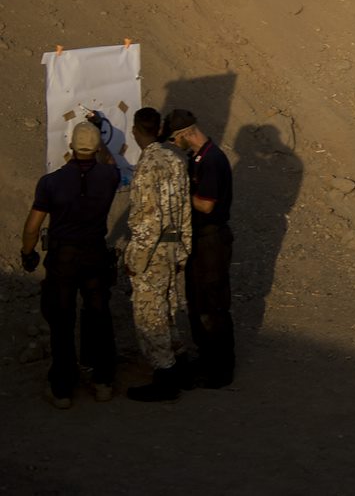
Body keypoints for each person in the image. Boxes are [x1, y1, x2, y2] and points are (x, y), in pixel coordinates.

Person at [21, 120, 121, 407]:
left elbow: (33, 226)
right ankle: (102, 381)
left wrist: (28, 252)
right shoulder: (109, 176)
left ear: (70, 146)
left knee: (62, 320)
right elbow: (111, 163)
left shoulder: (50, 182)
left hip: (62, 258)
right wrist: (102, 143)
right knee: (98, 315)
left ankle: (63, 388)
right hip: (95, 255)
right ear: (97, 147)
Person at [125, 108, 193, 402]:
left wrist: (135, 259)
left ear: (135, 131)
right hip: (173, 246)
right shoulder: (176, 159)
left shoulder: (146, 166)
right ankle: (180, 365)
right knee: (168, 307)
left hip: (151, 252)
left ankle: (165, 375)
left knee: (150, 314)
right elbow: (185, 209)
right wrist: (184, 249)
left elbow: (148, 221)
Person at [165, 108, 234, 387]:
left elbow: (206, 204)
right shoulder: (197, 158)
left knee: (212, 305)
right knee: (197, 301)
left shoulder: (212, 161)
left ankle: (220, 369)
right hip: (200, 239)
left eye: (174, 139)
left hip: (211, 240)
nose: (174, 144)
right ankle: (207, 358)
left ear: (184, 134)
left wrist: (179, 190)